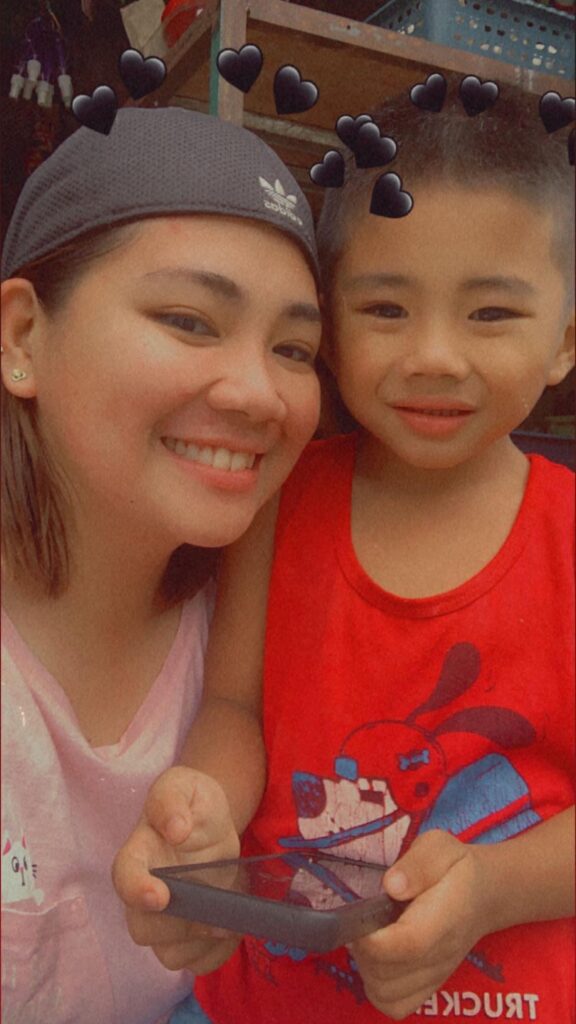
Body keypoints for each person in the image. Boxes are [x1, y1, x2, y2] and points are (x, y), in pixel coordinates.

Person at [113, 75, 575, 1023]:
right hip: (263, 995)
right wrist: (201, 804)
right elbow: (236, 706)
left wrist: (491, 888)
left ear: (566, 341)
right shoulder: (284, 497)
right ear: (328, 326)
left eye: (491, 314)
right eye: (385, 310)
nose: (434, 356)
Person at [0, 105, 323, 1024]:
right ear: (21, 337)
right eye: (189, 320)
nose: (259, 393)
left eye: (295, 350)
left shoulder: (256, 639)